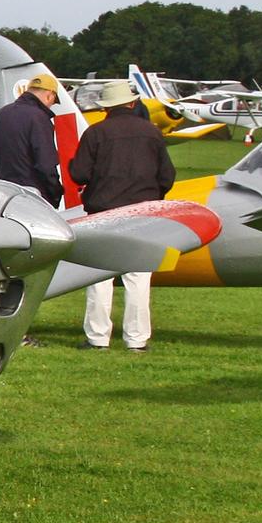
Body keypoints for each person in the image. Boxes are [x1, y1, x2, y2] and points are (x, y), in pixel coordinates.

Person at [70, 79, 175, 352]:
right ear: (131, 103)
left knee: (99, 278)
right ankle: (137, 340)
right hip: (142, 212)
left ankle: (97, 338)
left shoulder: (95, 133)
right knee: (138, 279)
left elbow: (78, 174)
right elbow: (167, 176)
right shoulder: (152, 134)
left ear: (107, 107)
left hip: (104, 212)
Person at [0, 73, 63, 207]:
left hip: (7, 195)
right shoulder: (39, 118)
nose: (50, 105)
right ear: (49, 95)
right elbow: (46, 164)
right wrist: (55, 194)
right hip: (34, 195)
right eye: (53, 101)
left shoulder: (0, 114)